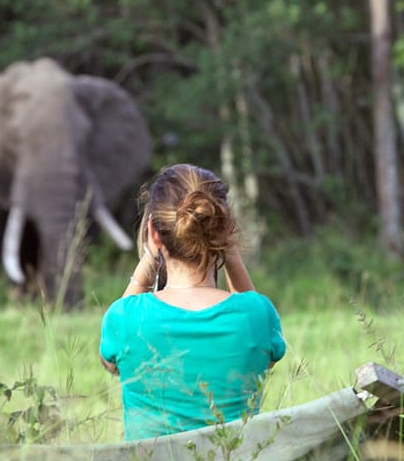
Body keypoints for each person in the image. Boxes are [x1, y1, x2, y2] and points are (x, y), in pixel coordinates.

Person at [99, 163, 285, 440]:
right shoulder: (257, 314)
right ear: (225, 230)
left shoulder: (124, 317)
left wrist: (146, 265)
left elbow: (110, 364)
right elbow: (264, 347)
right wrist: (231, 254)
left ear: (153, 233)